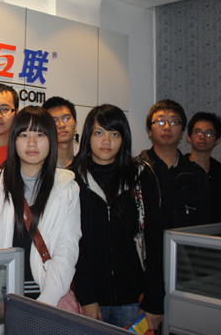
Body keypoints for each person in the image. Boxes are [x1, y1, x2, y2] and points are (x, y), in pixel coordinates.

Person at [69, 104, 164, 330]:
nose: (106, 141)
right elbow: (71, 244)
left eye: (114, 134)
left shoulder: (141, 177)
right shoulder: (72, 180)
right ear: (87, 136)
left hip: (133, 299)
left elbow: (155, 240)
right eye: (99, 133)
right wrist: (86, 296)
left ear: (124, 138)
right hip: (89, 299)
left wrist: (154, 299)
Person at [0, 106, 81, 307]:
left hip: (48, 296)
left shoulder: (67, 187)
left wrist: (46, 303)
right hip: (1, 299)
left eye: (40, 135)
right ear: (13, 140)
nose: (32, 143)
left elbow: (67, 250)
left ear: (51, 140)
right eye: (24, 135)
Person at [136, 99, 210, 229]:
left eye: (173, 122)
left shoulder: (196, 174)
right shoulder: (136, 170)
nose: (166, 127)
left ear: (182, 132)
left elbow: (204, 223)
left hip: (184, 242)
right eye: (160, 121)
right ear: (150, 131)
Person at [42, 96, 79, 168]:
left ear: (75, 125)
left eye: (66, 119)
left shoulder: (88, 159)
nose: (61, 125)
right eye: (54, 121)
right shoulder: (39, 162)